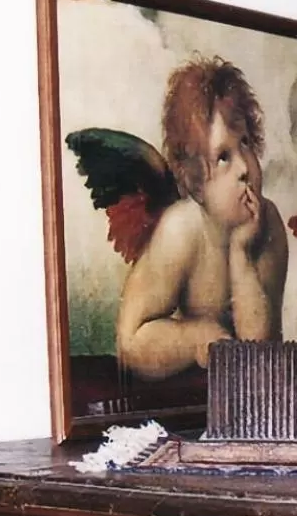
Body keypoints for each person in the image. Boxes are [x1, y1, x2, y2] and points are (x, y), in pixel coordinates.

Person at [116, 57, 287, 378]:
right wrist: (196, 338)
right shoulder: (181, 230)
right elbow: (130, 340)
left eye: (246, 144)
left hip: (243, 390)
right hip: (182, 389)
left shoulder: (269, 225)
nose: (244, 168)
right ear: (195, 182)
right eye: (223, 157)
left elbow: (261, 352)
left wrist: (240, 254)